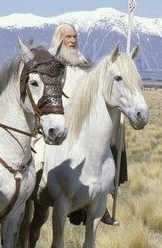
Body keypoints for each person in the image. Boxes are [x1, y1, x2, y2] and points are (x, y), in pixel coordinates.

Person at [49, 23, 124, 226]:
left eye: (74, 36)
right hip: (55, 122)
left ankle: (102, 198)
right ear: (59, 39)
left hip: (82, 124)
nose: (72, 41)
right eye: (68, 37)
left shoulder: (84, 64)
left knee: (109, 141)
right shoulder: (51, 64)